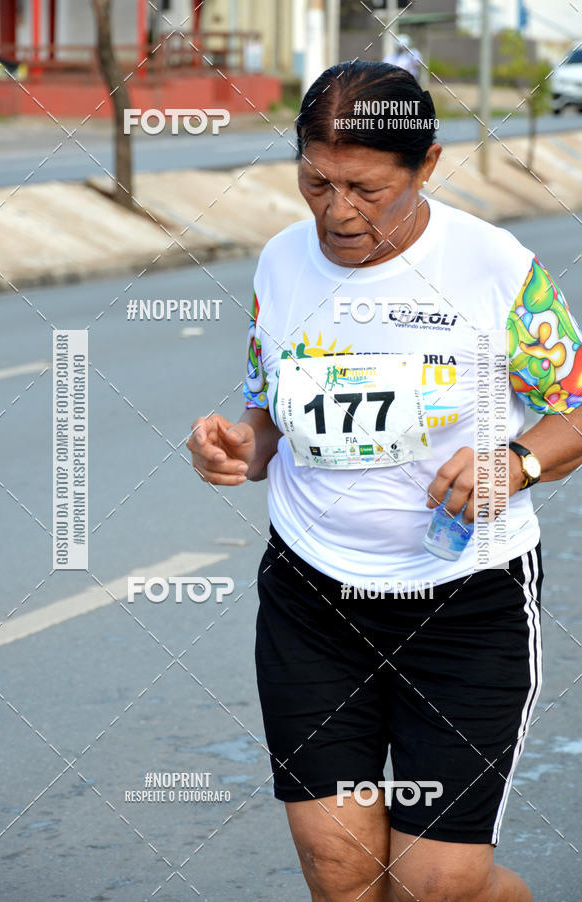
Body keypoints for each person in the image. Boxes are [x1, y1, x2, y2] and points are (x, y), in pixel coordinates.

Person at [187, 60, 582, 902]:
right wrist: (237, 445)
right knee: (341, 873)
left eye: (365, 189)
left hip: (465, 601)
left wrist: (514, 465)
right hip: (313, 598)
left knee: (436, 885)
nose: (337, 211)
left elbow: (576, 405)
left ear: (427, 164)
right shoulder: (282, 264)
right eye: (317, 182)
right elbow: (268, 415)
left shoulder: (494, 267)